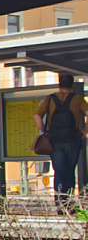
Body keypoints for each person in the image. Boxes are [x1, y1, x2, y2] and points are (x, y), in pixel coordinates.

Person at [33, 72, 87, 213]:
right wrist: (85, 131)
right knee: (70, 171)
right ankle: (69, 203)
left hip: (54, 141)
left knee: (59, 171)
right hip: (72, 140)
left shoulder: (50, 99)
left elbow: (37, 116)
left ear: (59, 84)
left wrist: (45, 131)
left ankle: (59, 203)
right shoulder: (78, 99)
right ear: (72, 85)